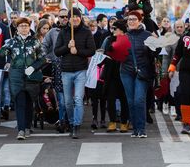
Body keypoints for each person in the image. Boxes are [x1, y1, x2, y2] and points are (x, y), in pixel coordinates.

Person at [0, 17, 45, 140]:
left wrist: (33, 67)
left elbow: (43, 58)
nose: (24, 28)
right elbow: (0, 54)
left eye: (26, 26)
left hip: (32, 77)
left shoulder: (35, 42)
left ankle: (27, 127)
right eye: (21, 26)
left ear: (29, 27)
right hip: (16, 77)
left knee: (29, 103)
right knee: (20, 103)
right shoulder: (11, 42)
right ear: (17, 28)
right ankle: (20, 130)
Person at [54, 7, 96, 139]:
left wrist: (77, 51)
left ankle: (76, 125)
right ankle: (71, 121)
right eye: (73, 17)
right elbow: (57, 51)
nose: (75, 18)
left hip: (80, 71)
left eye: (77, 16)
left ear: (80, 18)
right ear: (69, 19)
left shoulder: (86, 32)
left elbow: (91, 51)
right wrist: (67, 46)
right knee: (67, 102)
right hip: (66, 71)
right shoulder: (63, 32)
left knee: (78, 99)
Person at [121, 11, 154, 138]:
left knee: (139, 100)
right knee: (130, 101)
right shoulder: (124, 36)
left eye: (134, 19)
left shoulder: (148, 35)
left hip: (142, 71)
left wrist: (154, 47)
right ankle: (135, 129)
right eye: (129, 19)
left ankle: (141, 129)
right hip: (126, 72)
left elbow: (154, 54)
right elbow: (118, 55)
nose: (131, 21)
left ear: (140, 21)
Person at [101, 20, 130, 133]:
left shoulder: (127, 40)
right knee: (111, 98)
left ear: (121, 30)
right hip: (111, 73)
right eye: (112, 28)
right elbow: (104, 52)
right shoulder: (109, 39)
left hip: (124, 73)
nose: (113, 31)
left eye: (115, 29)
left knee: (124, 99)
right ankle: (112, 122)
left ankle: (124, 122)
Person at [43, 8, 69, 133]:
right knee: (62, 100)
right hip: (57, 68)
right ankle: (62, 121)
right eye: (62, 16)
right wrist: (46, 58)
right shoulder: (53, 32)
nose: (64, 19)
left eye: (66, 16)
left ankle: (72, 121)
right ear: (58, 18)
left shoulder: (74, 31)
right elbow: (44, 45)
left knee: (73, 99)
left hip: (73, 67)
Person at [160, 19, 184, 117]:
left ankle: (177, 107)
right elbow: (166, 57)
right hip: (173, 69)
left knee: (180, 90)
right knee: (171, 89)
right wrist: (165, 70)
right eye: (177, 27)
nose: (179, 29)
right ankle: (168, 104)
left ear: (184, 27)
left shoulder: (188, 37)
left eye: (181, 27)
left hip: (184, 69)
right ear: (174, 28)